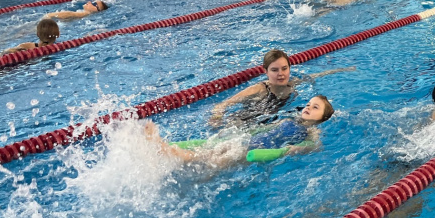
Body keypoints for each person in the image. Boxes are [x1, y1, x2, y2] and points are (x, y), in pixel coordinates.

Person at [147, 95, 336, 167]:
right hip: (245, 142)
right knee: (213, 153)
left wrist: (297, 149)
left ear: (322, 118)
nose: (309, 107)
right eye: (309, 104)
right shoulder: (289, 119)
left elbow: (314, 147)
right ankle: (169, 154)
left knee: (213, 158)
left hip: (249, 152)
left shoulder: (313, 132)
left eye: (316, 108)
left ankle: (168, 153)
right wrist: (239, 131)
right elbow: (261, 129)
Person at [209, 50, 351, 128]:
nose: (281, 74)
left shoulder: (292, 84)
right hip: (240, 124)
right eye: (274, 70)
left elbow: (315, 75)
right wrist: (216, 118)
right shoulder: (259, 89)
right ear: (266, 72)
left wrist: (341, 70)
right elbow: (222, 105)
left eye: (284, 68)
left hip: (265, 125)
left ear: (290, 68)